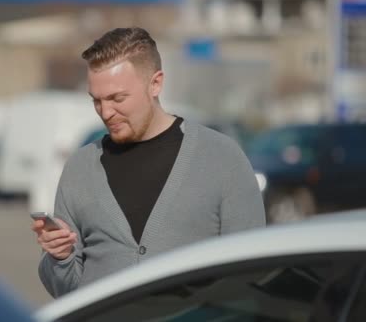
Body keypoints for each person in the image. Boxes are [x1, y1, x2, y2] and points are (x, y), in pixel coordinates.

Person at [32, 27, 265, 298]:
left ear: (155, 84)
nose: (106, 112)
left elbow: (249, 274)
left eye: (117, 98)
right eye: (96, 101)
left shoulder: (223, 159)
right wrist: (59, 259)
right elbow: (68, 291)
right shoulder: (79, 169)